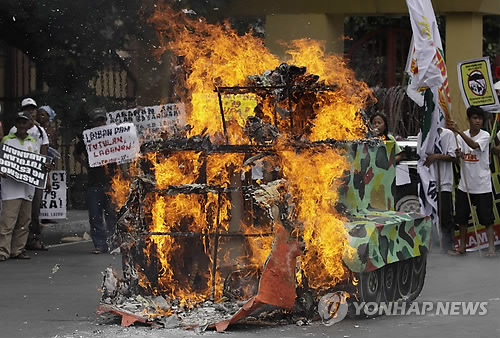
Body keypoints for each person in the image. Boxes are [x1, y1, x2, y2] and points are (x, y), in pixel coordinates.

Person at [447, 106, 496, 257]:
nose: (478, 121)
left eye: (480, 118)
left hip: (482, 185)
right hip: (465, 185)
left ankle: (491, 249)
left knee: (487, 219)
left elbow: (474, 146)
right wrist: (459, 154)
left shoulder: (485, 135)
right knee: (462, 218)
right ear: (468, 120)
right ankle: (461, 247)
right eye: (474, 118)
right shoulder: (462, 136)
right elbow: (459, 157)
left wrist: (458, 131)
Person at [74, 108, 118, 254]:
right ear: (92, 123)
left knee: (112, 214)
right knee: (95, 215)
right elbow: (76, 153)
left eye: (102, 120)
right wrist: (86, 165)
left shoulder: (113, 135)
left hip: (111, 182)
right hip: (94, 182)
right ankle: (100, 244)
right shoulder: (87, 138)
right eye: (97, 120)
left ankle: (113, 243)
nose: (100, 123)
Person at [10, 98, 50, 251]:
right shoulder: (14, 131)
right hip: (19, 177)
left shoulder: (40, 131)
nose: (31, 112)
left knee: (34, 211)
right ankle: (19, 242)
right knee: (19, 211)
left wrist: (46, 178)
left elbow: (44, 154)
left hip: (35, 177)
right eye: (27, 109)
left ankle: (33, 239)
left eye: (33, 109)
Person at [0, 112, 40, 261]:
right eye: (20, 122)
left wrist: (46, 168)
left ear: (30, 125)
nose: (22, 126)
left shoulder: (33, 143)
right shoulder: (7, 141)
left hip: (27, 188)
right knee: (7, 221)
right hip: (11, 189)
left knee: (24, 222)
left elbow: (38, 164)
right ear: (16, 124)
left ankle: (17, 250)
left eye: (25, 123)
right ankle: (3, 251)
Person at [423, 127, 457, 255]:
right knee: (429, 213)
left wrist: (437, 156)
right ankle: (432, 245)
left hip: (444, 181)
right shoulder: (423, 133)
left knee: (445, 214)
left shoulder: (448, 134)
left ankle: (448, 245)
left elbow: (453, 156)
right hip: (429, 181)